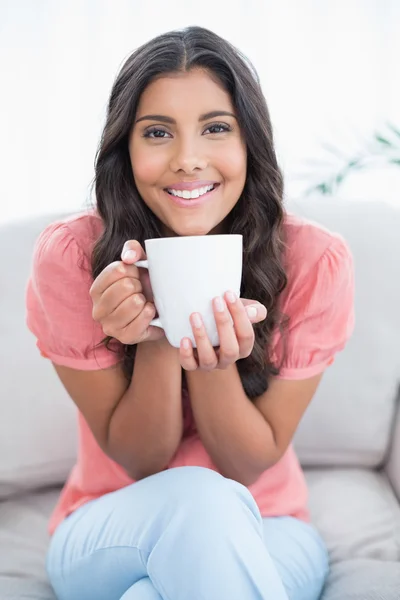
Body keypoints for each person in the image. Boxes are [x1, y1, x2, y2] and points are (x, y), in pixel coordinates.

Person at [25, 26, 354, 600]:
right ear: (124, 149)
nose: (188, 159)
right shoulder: (73, 258)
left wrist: (211, 362)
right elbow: (140, 460)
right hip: (112, 520)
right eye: (157, 133)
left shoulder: (313, 260)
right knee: (198, 495)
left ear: (250, 141)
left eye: (216, 128)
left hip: (269, 521)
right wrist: (155, 336)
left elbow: (247, 468)